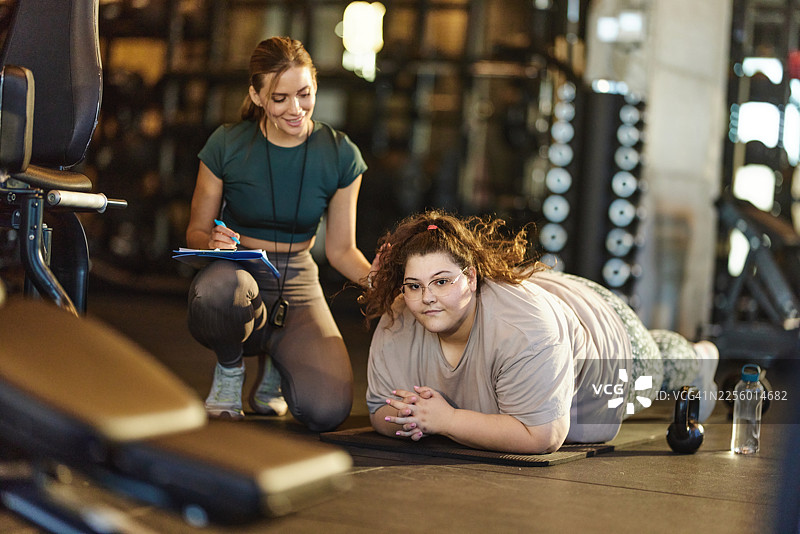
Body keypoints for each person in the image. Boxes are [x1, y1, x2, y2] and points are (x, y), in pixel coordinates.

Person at [360, 210, 719, 454]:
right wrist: (414, 420)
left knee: (660, 367)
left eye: (441, 281)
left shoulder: (525, 330)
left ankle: (700, 357)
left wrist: (447, 420)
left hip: (601, 331)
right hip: (544, 305)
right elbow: (378, 408)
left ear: (470, 278)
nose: (427, 297)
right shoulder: (399, 319)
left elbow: (543, 436)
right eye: (414, 285)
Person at [185, 37, 379, 432]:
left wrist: (386, 284)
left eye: (304, 94)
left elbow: (342, 250)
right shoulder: (226, 144)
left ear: (315, 86)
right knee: (217, 291)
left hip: (298, 279)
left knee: (327, 411)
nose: (296, 109)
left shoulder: (340, 153)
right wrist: (210, 243)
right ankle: (230, 370)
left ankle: (276, 364)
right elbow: (196, 231)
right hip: (239, 271)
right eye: (280, 98)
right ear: (256, 96)